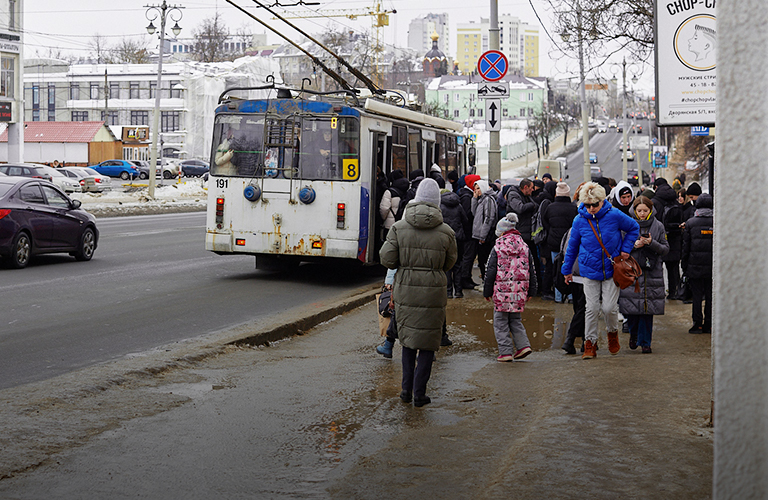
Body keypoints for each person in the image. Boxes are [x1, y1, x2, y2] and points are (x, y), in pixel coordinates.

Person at [380, 178, 458, 407]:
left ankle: (405, 391)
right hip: (434, 294)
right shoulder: (446, 232)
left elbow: (387, 259)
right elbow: (450, 263)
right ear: (437, 203)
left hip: (405, 292)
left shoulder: (399, 228)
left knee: (408, 342)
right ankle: (419, 394)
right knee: (427, 344)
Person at [562, 182, 639, 359]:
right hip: (589, 270)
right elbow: (572, 247)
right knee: (591, 308)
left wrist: (626, 250)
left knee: (610, 308)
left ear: (602, 201)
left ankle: (612, 333)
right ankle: (590, 343)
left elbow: (633, 228)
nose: (591, 208)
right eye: (587, 205)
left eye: (594, 204)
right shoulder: (579, 220)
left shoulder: (614, 215)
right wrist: (567, 270)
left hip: (612, 270)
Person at [618, 196, 669, 354]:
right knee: (632, 309)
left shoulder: (658, 226)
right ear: (634, 210)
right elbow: (618, 249)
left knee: (648, 310)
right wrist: (634, 245)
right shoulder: (626, 225)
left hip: (651, 273)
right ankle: (633, 334)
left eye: (645, 210)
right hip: (631, 272)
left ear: (650, 210)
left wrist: (651, 243)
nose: (641, 213)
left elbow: (666, 249)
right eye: (639, 210)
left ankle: (646, 342)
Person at [483, 213, 537, 362]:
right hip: (519, 291)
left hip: (502, 292)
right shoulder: (524, 246)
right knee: (515, 319)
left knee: (500, 322)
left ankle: (505, 352)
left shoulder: (498, 247)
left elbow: (491, 271)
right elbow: (532, 269)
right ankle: (523, 346)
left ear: (501, 232)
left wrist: (486, 291)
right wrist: (532, 289)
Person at [682, 193, 713, 334]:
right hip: (712, 267)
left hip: (694, 266)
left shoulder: (690, 223)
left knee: (697, 297)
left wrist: (684, 265)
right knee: (710, 296)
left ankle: (697, 324)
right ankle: (709, 324)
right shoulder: (717, 222)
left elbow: (686, 248)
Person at [543, 182, 578, 303]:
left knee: (556, 269)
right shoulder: (574, 208)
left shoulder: (550, 207)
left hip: (554, 242)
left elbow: (545, 222)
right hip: (570, 243)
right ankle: (571, 296)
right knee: (570, 269)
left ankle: (558, 297)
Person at [441, 187, 469, 299]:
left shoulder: (440, 206)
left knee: (447, 265)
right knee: (458, 264)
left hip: (445, 238)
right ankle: (458, 291)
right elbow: (465, 220)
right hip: (458, 238)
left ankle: (448, 292)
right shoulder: (459, 205)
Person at [471, 179, 499, 282]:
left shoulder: (488, 199)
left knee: (485, 259)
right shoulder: (481, 199)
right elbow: (475, 214)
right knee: (482, 260)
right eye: (475, 189)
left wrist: (483, 236)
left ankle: (488, 282)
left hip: (486, 236)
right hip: (480, 235)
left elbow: (489, 218)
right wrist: (474, 199)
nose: (477, 191)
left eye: (478, 188)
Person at [459, 174, 481, 289]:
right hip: (469, 232)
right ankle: (465, 278)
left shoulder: (465, 195)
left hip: (469, 231)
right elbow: (468, 215)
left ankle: (467, 277)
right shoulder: (467, 197)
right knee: (468, 255)